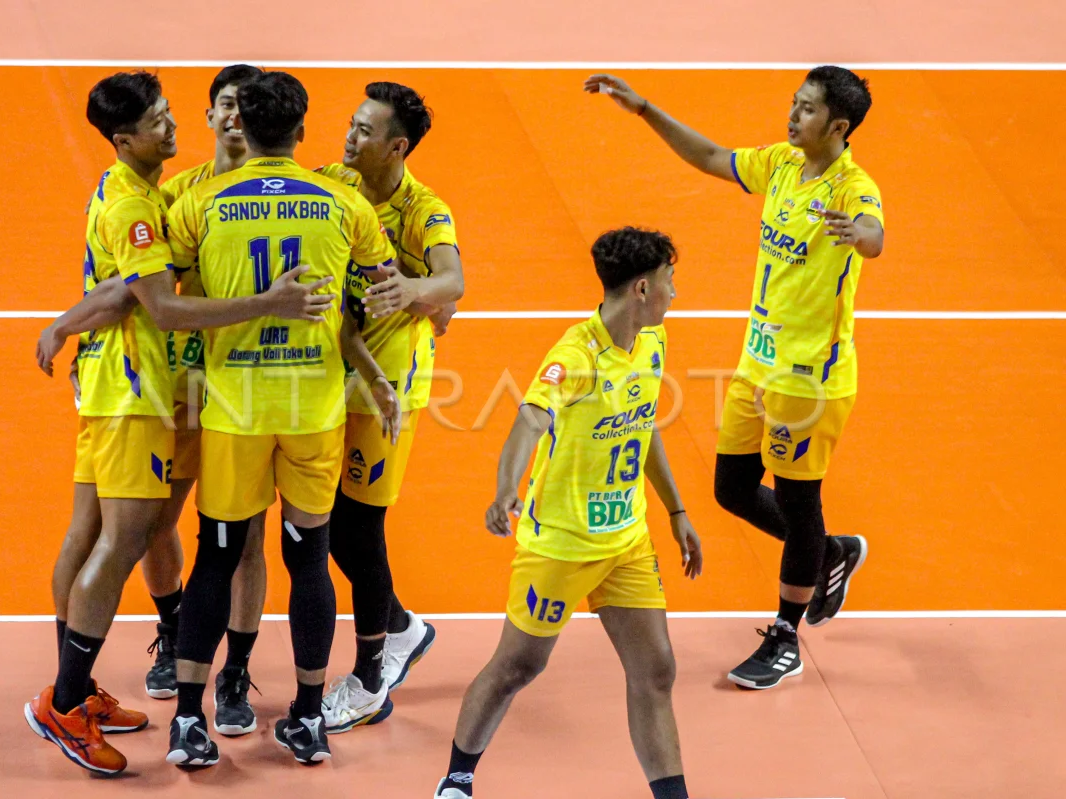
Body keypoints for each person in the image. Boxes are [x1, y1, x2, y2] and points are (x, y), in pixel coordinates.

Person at [23, 70, 328, 776]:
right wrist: (269, 304)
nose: (178, 126)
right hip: (142, 388)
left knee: (116, 531)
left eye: (170, 113)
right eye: (163, 118)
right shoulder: (162, 201)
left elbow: (124, 289)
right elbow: (152, 301)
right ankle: (66, 697)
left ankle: (84, 688)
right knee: (120, 537)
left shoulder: (155, 195)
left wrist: (66, 323)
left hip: (173, 388)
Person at [585, 66, 882, 689]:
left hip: (809, 378)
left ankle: (786, 636)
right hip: (757, 363)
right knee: (732, 489)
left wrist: (859, 234)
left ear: (839, 126)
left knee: (799, 503)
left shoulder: (854, 188)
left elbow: (874, 235)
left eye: (807, 109)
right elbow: (712, 157)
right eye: (794, 103)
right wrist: (644, 109)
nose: (793, 115)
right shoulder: (781, 164)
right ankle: (830, 551)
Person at [162, 70, 402, 768]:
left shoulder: (201, 203)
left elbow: (164, 288)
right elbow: (384, 288)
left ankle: (188, 720)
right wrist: (378, 364)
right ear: (300, 131)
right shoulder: (344, 204)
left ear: (241, 126)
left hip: (235, 409)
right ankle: (307, 717)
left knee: (216, 555)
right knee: (309, 559)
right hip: (313, 410)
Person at [435, 228, 701, 799]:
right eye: (670, 281)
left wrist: (676, 508)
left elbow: (643, 424)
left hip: (626, 540)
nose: (675, 293)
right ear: (642, 288)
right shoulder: (575, 356)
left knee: (656, 670)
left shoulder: (653, 342)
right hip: (561, 543)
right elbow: (531, 418)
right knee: (518, 667)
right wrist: (505, 489)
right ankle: (456, 779)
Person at [314, 81, 465, 733]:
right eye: (351, 124)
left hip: (388, 386)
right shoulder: (332, 181)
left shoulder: (424, 210)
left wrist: (416, 289)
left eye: (364, 130)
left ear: (397, 146)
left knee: (359, 527)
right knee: (321, 522)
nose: (349, 137)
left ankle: (372, 677)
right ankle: (402, 625)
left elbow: (454, 280)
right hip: (331, 372)